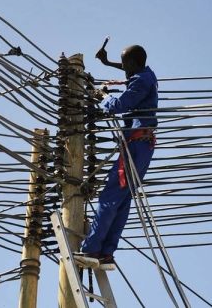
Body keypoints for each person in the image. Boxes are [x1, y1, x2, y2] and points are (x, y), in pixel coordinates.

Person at [74, 44, 158, 271]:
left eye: (125, 64)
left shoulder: (140, 81)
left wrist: (103, 98)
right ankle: (106, 254)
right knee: (122, 201)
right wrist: (107, 63)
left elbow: (121, 105)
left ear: (133, 64)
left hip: (135, 146)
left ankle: (91, 249)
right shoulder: (145, 74)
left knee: (110, 197)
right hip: (144, 147)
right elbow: (131, 71)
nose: (123, 70)